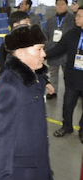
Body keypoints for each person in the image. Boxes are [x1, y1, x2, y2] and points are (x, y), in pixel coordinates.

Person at [0, 25, 63, 180]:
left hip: (38, 165)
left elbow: (37, 80)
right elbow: (0, 140)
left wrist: (45, 80)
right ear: (21, 53)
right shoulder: (9, 88)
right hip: (20, 175)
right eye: (39, 49)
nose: (44, 54)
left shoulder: (32, 77)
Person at [47, 6, 83, 143]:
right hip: (72, 78)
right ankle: (67, 126)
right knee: (68, 104)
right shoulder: (71, 34)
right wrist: (42, 54)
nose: (76, 18)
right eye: (77, 15)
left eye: (80, 16)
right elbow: (58, 49)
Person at [43, 0, 75, 100]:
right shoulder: (51, 19)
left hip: (66, 52)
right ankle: (53, 92)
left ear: (67, 6)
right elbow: (45, 33)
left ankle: (70, 93)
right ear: (55, 6)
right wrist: (47, 44)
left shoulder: (72, 19)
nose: (60, 7)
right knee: (53, 73)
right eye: (58, 4)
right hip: (53, 50)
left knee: (68, 75)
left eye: (62, 4)